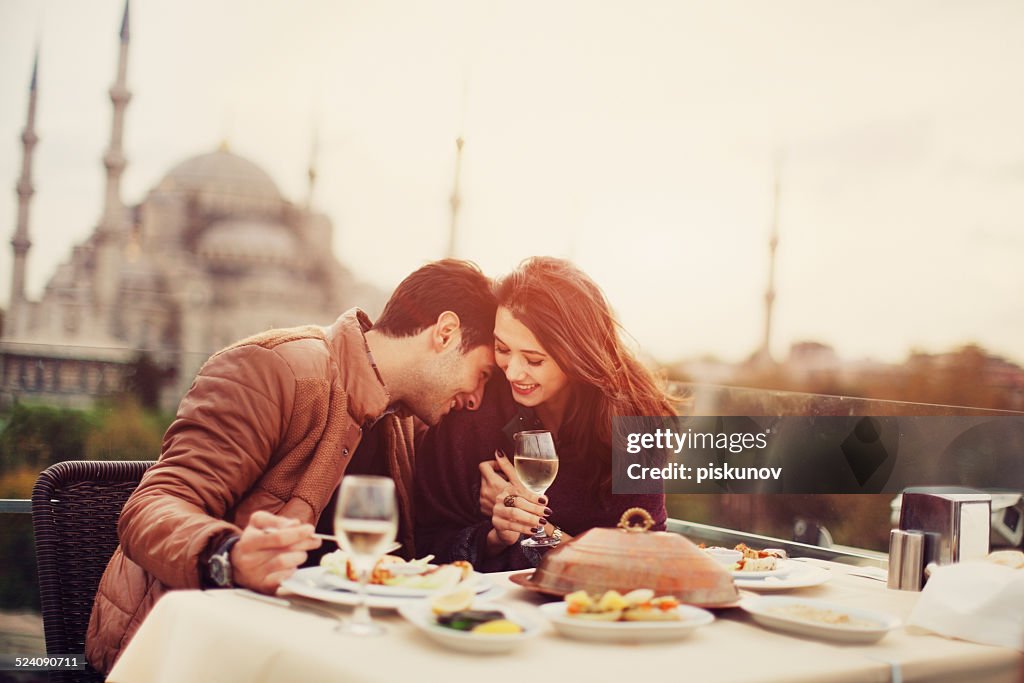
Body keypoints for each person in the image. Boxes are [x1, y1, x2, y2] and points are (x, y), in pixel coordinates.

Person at [86, 259, 497, 673]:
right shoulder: (272, 370)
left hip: (317, 650)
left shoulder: (404, 421)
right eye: (482, 374)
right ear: (445, 333)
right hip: (192, 648)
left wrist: (492, 522)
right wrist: (229, 555)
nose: (477, 398)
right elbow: (151, 506)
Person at [415, 256, 677, 571]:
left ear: (577, 354)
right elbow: (423, 545)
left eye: (534, 360)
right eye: (502, 349)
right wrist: (494, 536)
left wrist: (539, 527)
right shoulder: (476, 406)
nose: (512, 372)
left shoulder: (632, 421)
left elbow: (645, 563)